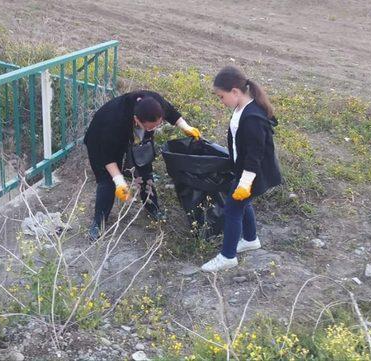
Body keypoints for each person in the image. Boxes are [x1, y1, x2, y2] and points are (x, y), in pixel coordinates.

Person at [84, 90, 201, 240]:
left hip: (131, 133)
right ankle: (98, 221)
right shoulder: (113, 121)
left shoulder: (155, 104)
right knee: (107, 181)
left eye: (157, 126)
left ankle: (152, 207)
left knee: (144, 167)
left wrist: (185, 126)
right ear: (136, 120)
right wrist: (119, 181)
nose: (153, 130)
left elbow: (171, 112)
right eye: (150, 128)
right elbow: (107, 157)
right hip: (100, 140)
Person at [201, 66, 282, 272]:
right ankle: (250, 239)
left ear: (235, 92)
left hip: (252, 173)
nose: (221, 101)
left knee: (232, 208)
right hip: (243, 170)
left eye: (221, 96)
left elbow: (255, 155)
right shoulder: (241, 109)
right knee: (241, 203)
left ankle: (228, 256)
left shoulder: (253, 117)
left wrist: (245, 182)